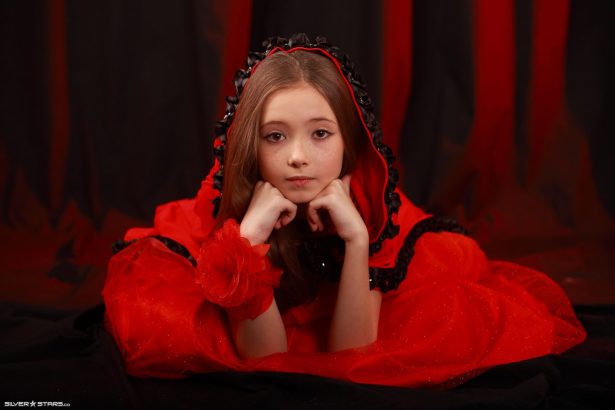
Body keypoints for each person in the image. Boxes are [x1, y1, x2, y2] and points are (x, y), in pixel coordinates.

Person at [103, 34, 586, 387]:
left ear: (348, 143)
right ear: (251, 146)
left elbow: (354, 357)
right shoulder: (233, 217)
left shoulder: (374, 214)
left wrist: (356, 241)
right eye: (275, 136)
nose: (298, 157)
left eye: (320, 134)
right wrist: (247, 241)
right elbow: (266, 360)